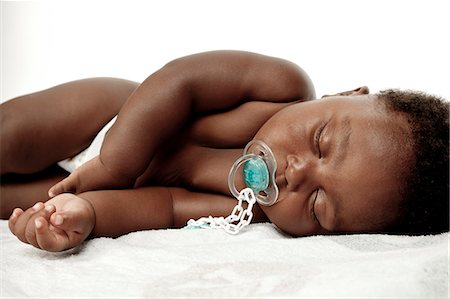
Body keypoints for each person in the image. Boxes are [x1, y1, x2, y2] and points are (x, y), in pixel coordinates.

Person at [1, 50, 448, 252]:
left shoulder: (250, 207)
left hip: (106, 181)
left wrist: (87, 214)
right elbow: (181, 81)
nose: (296, 175)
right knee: (11, 137)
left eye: (317, 206)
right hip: (110, 117)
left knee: (20, 205)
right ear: (347, 94)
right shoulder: (282, 86)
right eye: (320, 143)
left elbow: (166, 205)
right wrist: (116, 161)